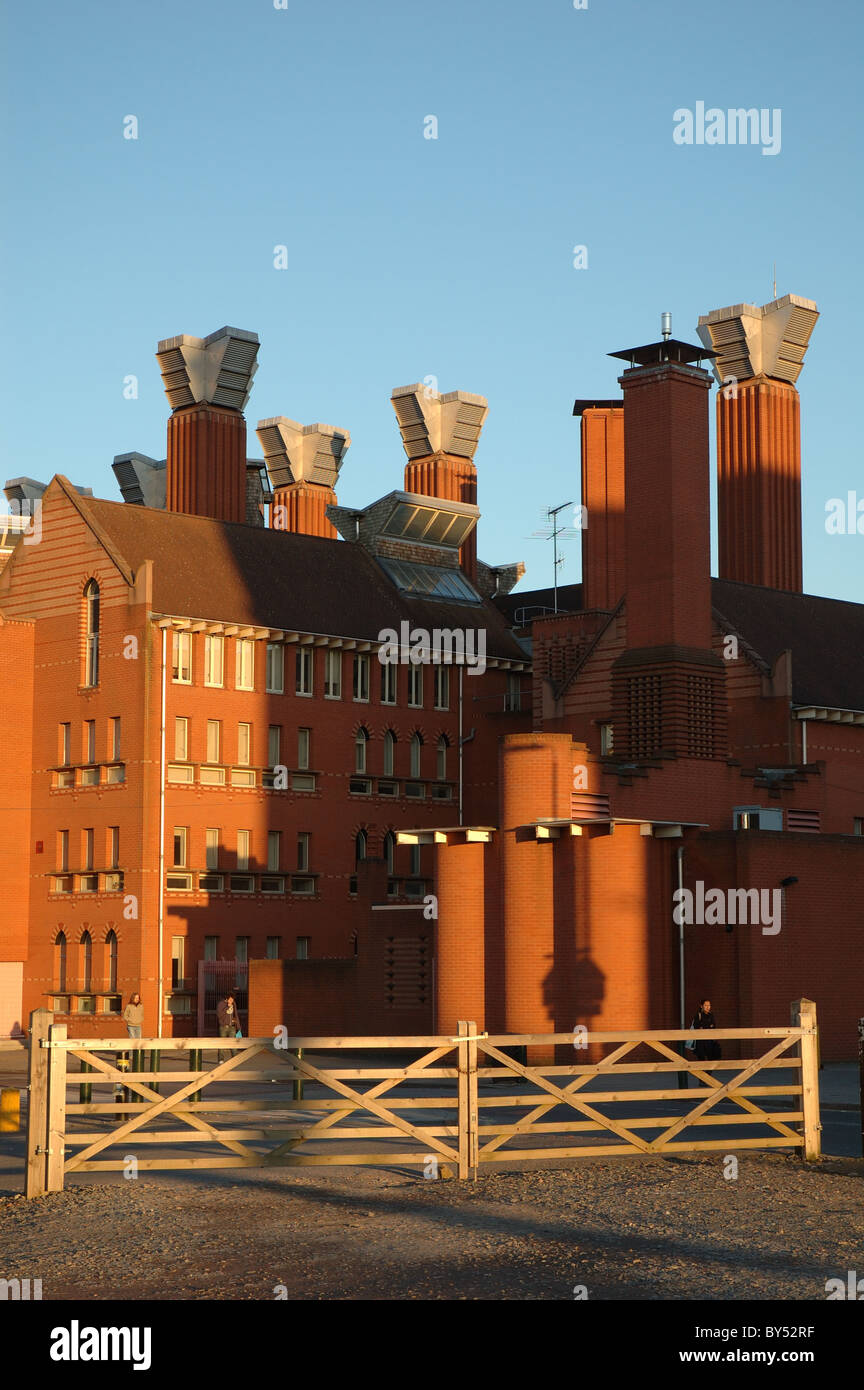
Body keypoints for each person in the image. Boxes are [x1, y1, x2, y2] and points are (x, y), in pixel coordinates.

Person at [217, 993, 241, 1063]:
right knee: (222, 1043)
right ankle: (221, 1059)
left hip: (232, 1027)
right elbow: (219, 1015)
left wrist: (238, 1026)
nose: (232, 1000)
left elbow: (236, 1014)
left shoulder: (233, 1004)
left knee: (233, 1043)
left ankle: (234, 1059)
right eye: (230, 999)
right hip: (223, 1027)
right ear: (227, 998)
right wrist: (227, 1007)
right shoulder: (221, 1004)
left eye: (233, 999)